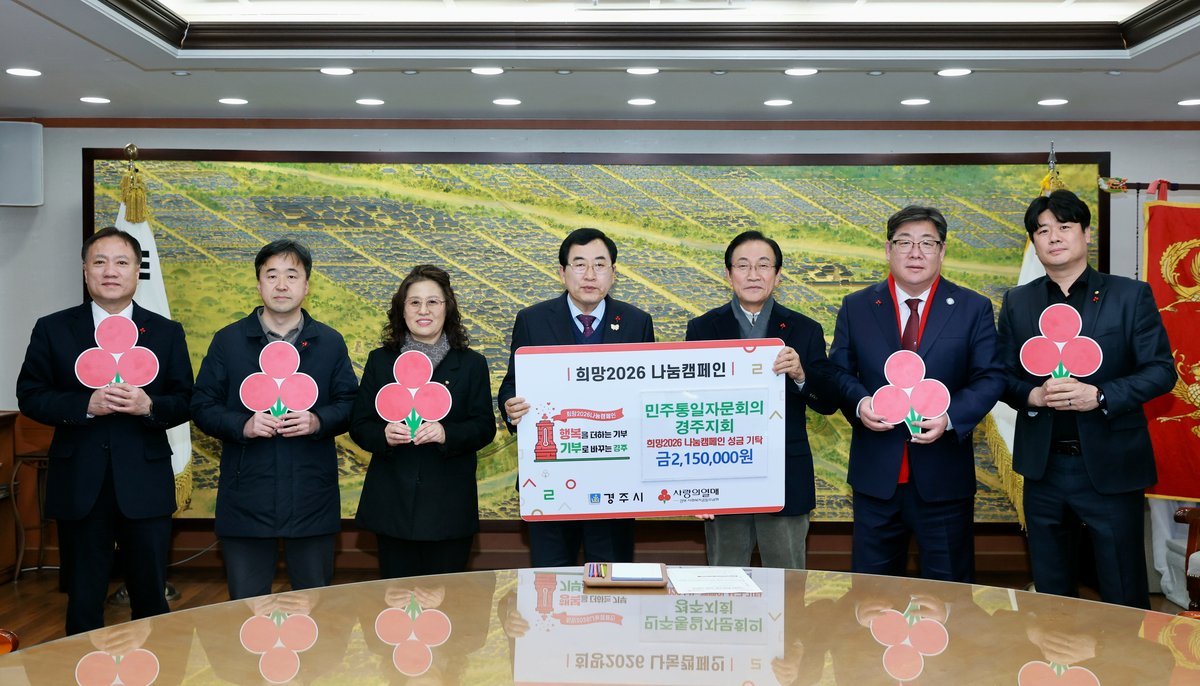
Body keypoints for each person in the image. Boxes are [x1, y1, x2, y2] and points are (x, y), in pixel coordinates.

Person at [998, 189, 1174, 608]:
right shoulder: (1018, 301)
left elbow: (1161, 371)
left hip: (1111, 465)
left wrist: (1101, 394)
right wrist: (1034, 395)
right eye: (1042, 230)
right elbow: (1000, 376)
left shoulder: (1129, 295)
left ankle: (1125, 653)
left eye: (1064, 226)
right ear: (1033, 241)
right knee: (1051, 591)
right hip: (1043, 468)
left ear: (1086, 233)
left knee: (1122, 589)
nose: (1054, 237)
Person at [16, 226, 194, 635]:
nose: (110, 271)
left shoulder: (165, 332)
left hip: (144, 481)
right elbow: (31, 395)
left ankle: (155, 665)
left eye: (121, 262)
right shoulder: (54, 329)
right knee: (83, 598)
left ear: (137, 271)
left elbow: (187, 399)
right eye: (99, 262)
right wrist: (84, 405)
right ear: (85, 271)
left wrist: (149, 406)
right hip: (79, 481)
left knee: (151, 598)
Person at [819, 205, 1004, 582]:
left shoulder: (972, 308)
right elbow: (838, 371)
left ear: (942, 251)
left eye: (927, 243)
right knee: (872, 595)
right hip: (877, 480)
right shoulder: (857, 307)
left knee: (950, 596)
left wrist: (950, 418)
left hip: (944, 480)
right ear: (888, 250)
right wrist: (860, 402)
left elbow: (990, 377)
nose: (915, 252)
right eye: (904, 242)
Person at [191, 238, 357, 600]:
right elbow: (202, 404)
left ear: (307, 286)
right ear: (258, 284)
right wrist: (242, 425)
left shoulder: (329, 342)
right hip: (246, 496)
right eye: (272, 275)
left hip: (311, 496)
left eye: (292, 276)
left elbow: (350, 403)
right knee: (246, 610)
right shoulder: (229, 341)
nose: (282, 285)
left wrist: (318, 421)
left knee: (315, 606)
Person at [498, 227, 655, 567]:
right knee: (551, 583)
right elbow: (512, 385)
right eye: (579, 264)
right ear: (562, 272)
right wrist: (511, 407)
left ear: (613, 273)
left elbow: (647, 395)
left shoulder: (636, 322)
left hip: (615, 479)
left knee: (611, 583)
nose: (590, 275)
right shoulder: (532, 320)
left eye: (600, 265)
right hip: (551, 478)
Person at [685, 230, 837, 568]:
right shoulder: (702, 329)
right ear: (728, 275)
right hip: (722, 477)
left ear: (778, 275)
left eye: (763, 265)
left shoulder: (805, 329)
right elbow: (690, 410)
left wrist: (801, 375)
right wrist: (696, 485)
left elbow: (827, 401)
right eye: (743, 265)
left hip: (785, 478)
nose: (753, 274)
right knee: (725, 583)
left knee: (787, 584)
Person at [351, 265, 497, 578]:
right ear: (401, 309)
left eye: (433, 302)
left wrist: (447, 433)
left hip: (448, 507)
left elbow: (484, 427)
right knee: (394, 600)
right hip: (392, 505)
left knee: (448, 600)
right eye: (414, 302)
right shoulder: (380, 361)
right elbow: (360, 424)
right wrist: (384, 434)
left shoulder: (471, 364)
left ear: (448, 308)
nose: (423, 310)